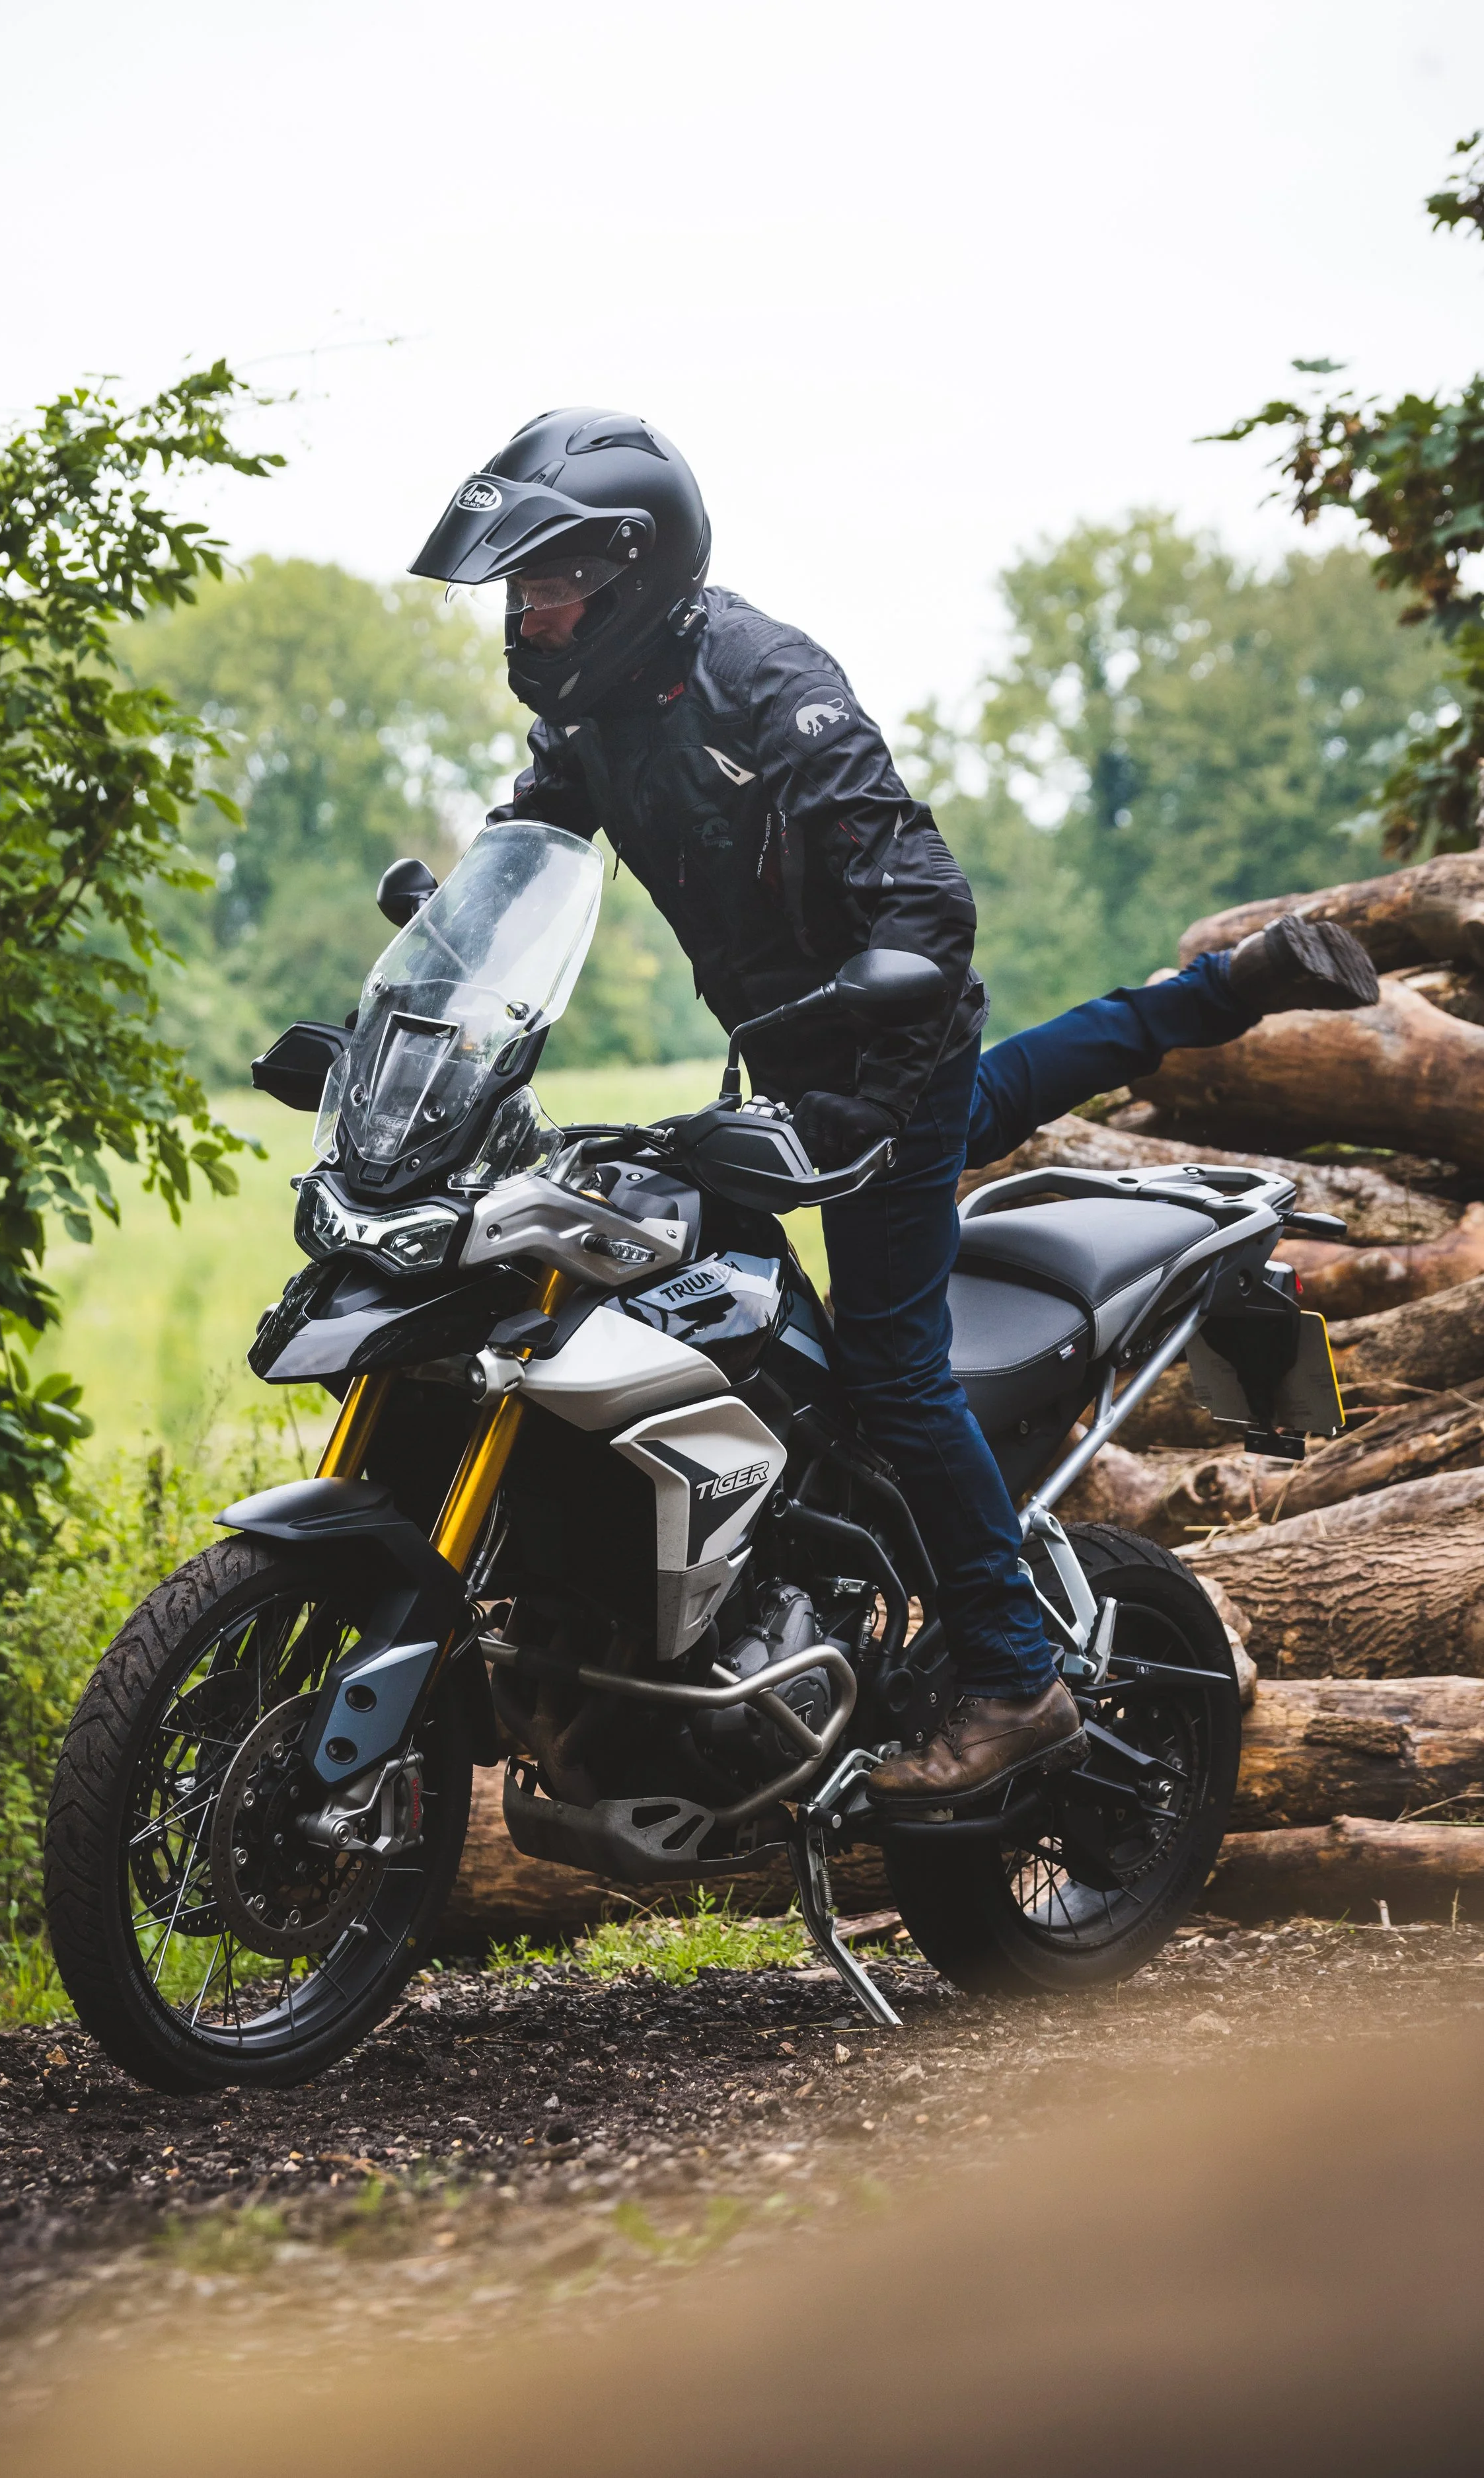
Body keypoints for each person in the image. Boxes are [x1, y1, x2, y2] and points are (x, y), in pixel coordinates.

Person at [410, 410, 1380, 1810]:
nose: (527, 612)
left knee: (887, 1368)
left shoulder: (767, 682)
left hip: (886, 1043)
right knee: (776, 1239)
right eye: (517, 589)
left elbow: (924, 904)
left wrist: (868, 1037)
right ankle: (1217, 989)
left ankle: (1007, 1674)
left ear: (634, 572)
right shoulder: (582, 710)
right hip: (795, 1050)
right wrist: (429, 980)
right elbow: (527, 854)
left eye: (549, 583)